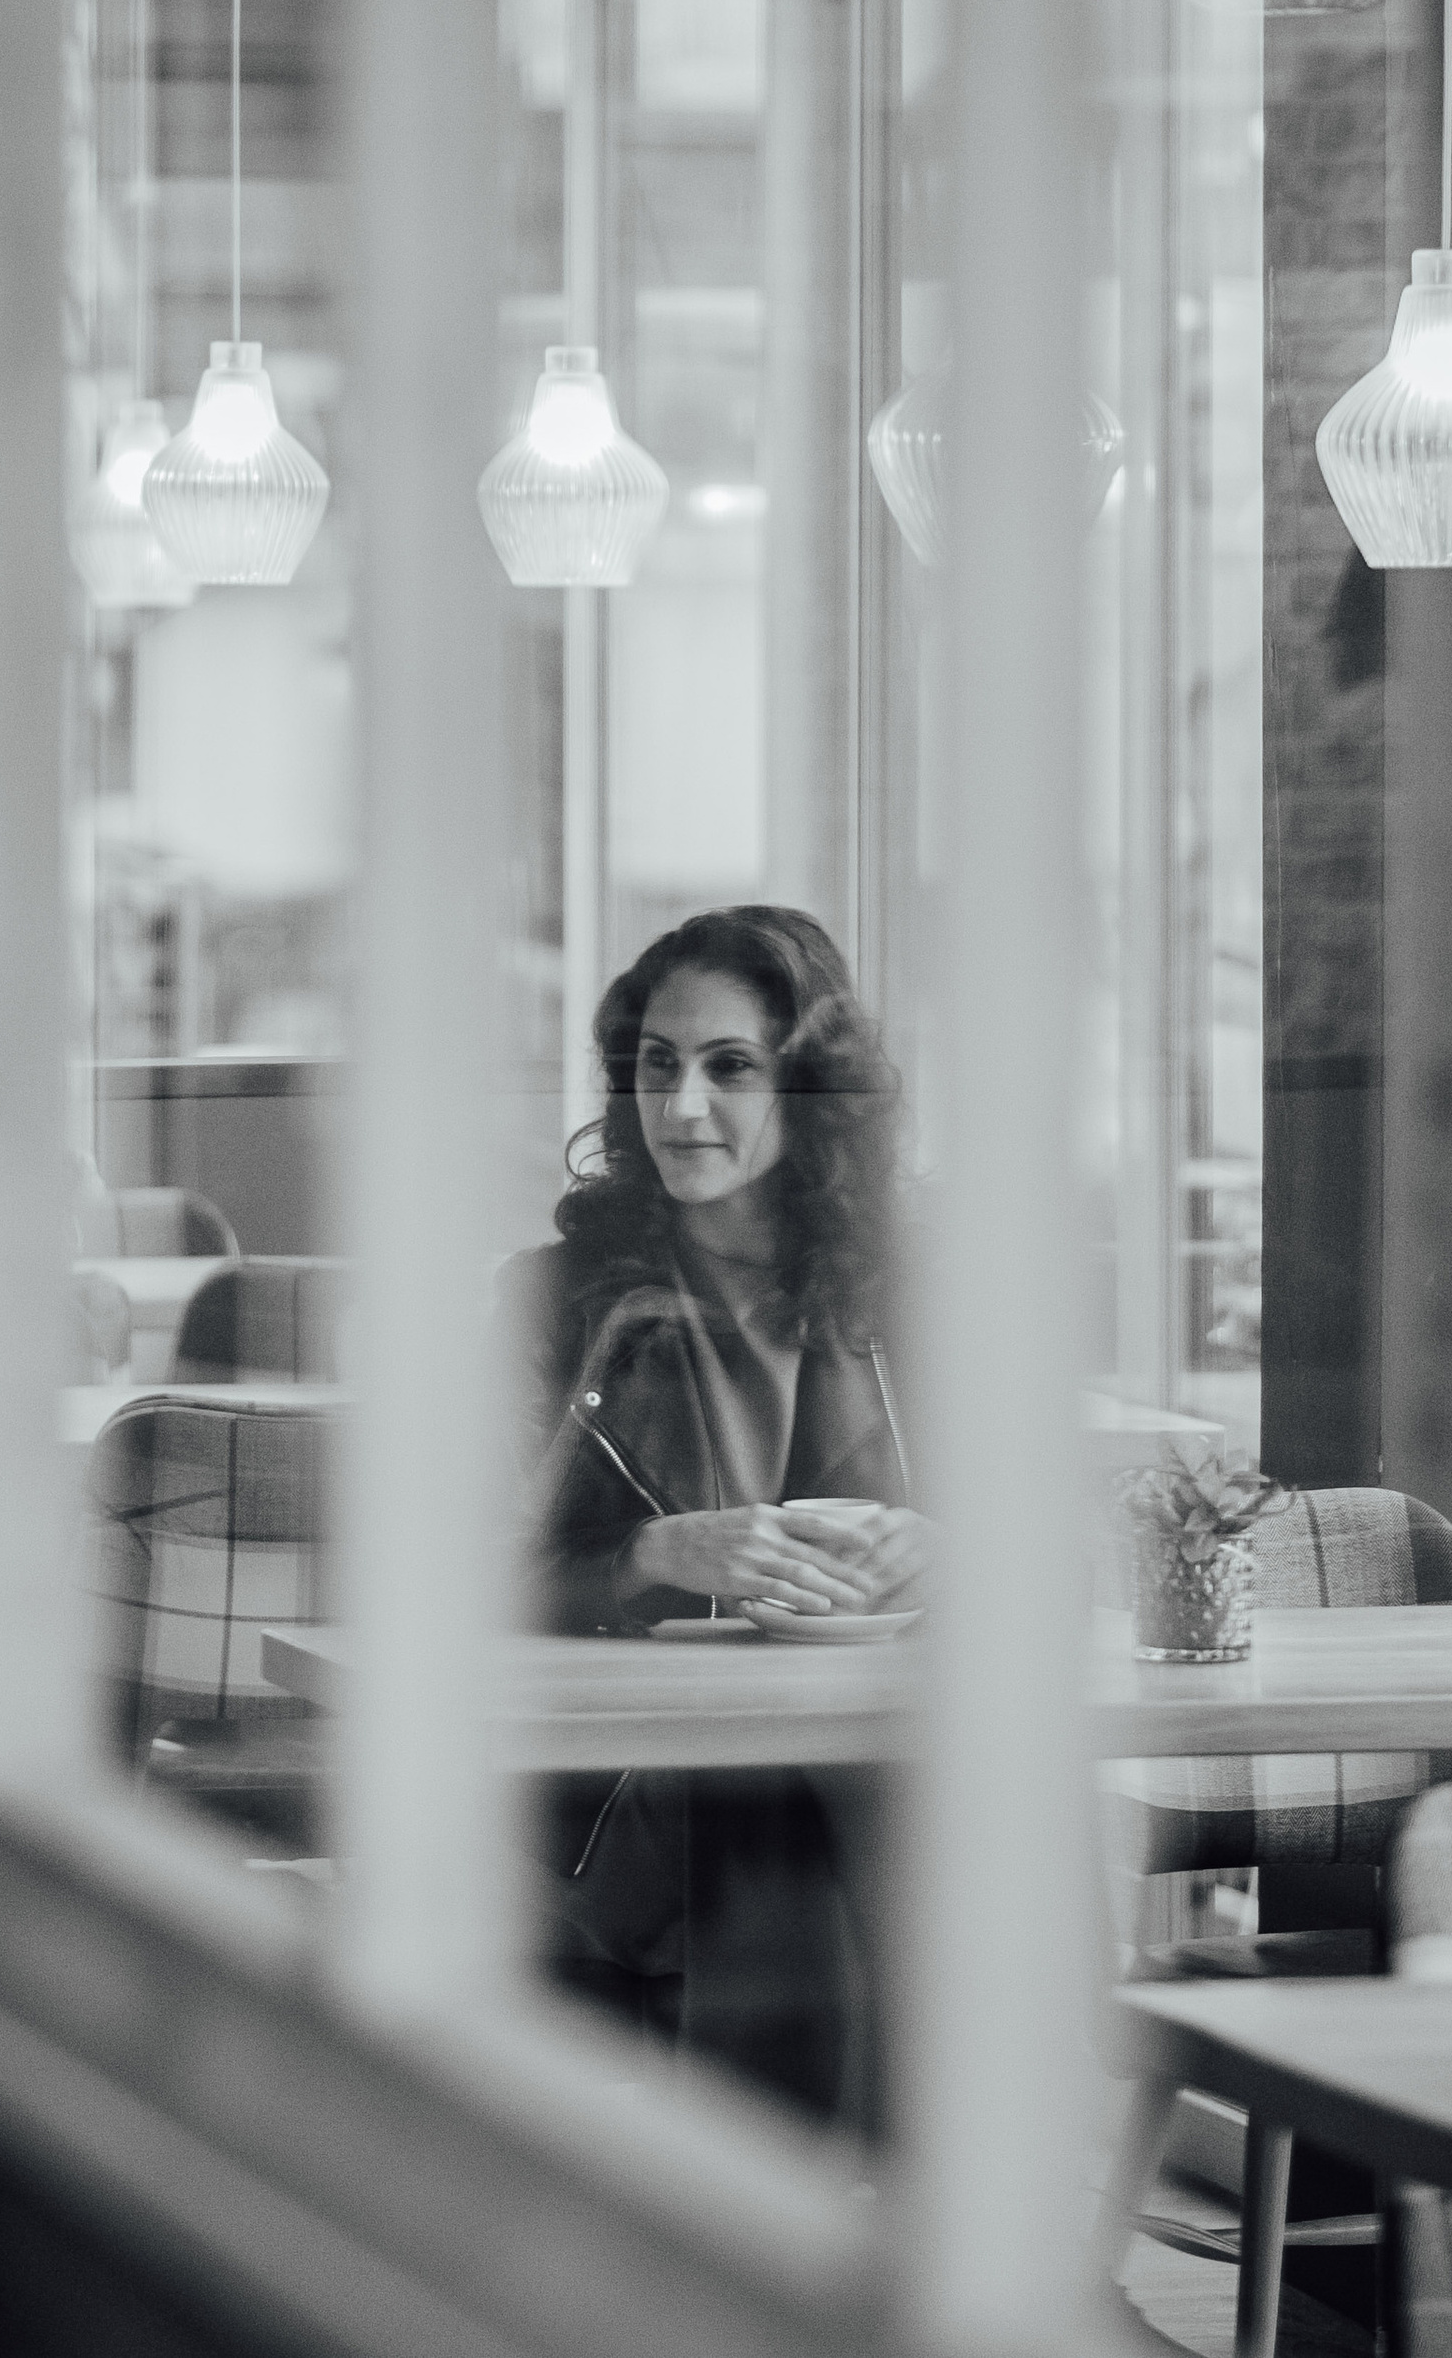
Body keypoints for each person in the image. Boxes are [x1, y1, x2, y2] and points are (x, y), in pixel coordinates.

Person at [512, 904, 928, 2119]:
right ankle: (830, 2232)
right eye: (657, 1065)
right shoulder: (551, 1302)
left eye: (729, 1067)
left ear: (809, 1091)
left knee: (944, 1788)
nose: (682, 1106)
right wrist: (651, 1553)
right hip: (627, 1766)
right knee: (782, 1799)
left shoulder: (917, 1293)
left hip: (872, 1745)